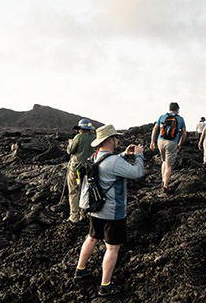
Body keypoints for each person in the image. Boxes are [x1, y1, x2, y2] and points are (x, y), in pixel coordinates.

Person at [74, 124, 144, 297]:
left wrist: (124, 155)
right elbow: (137, 172)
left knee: (91, 238)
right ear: (110, 140)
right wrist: (139, 156)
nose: (118, 140)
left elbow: (109, 162)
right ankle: (105, 286)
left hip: (95, 208)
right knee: (112, 248)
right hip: (112, 212)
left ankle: (80, 270)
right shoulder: (113, 161)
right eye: (116, 137)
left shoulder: (95, 156)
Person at [150, 102, 187, 192]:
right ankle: (165, 185)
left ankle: (163, 181)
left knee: (164, 161)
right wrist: (179, 144)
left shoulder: (162, 117)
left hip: (160, 141)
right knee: (169, 165)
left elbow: (155, 129)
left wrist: (152, 142)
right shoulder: (180, 119)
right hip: (172, 142)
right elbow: (184, 133)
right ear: (177, 109)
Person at [66, 118, 96, 223]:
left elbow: (70, 151)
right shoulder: (95, 138)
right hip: (89, 170)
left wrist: (70, 143)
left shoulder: (78, 137)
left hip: (76, 169)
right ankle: (84, 214)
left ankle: (74, 216)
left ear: (81, 129)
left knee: (74, 191)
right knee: (85, 191)